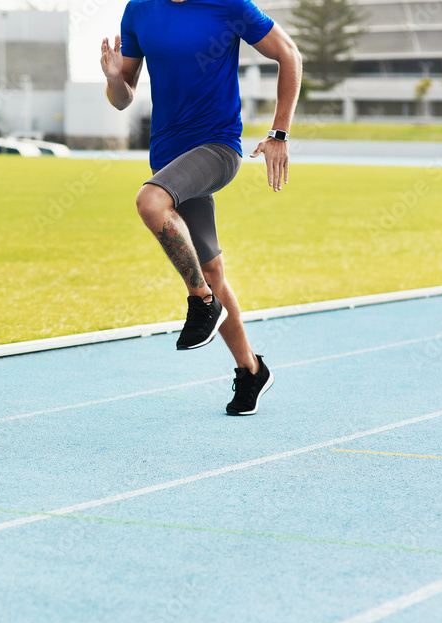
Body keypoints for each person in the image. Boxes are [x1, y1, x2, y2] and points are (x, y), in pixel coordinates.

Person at [101, 0, 301, 415]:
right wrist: (114, 78)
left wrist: (279, 132)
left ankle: (201, 302)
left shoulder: (228, 4)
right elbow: (123, 99)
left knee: (150, 201)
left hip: (217, 147)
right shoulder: (139, 9)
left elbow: (288, 54)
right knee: (212, 271)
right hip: (169, 158)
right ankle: (251, 370)